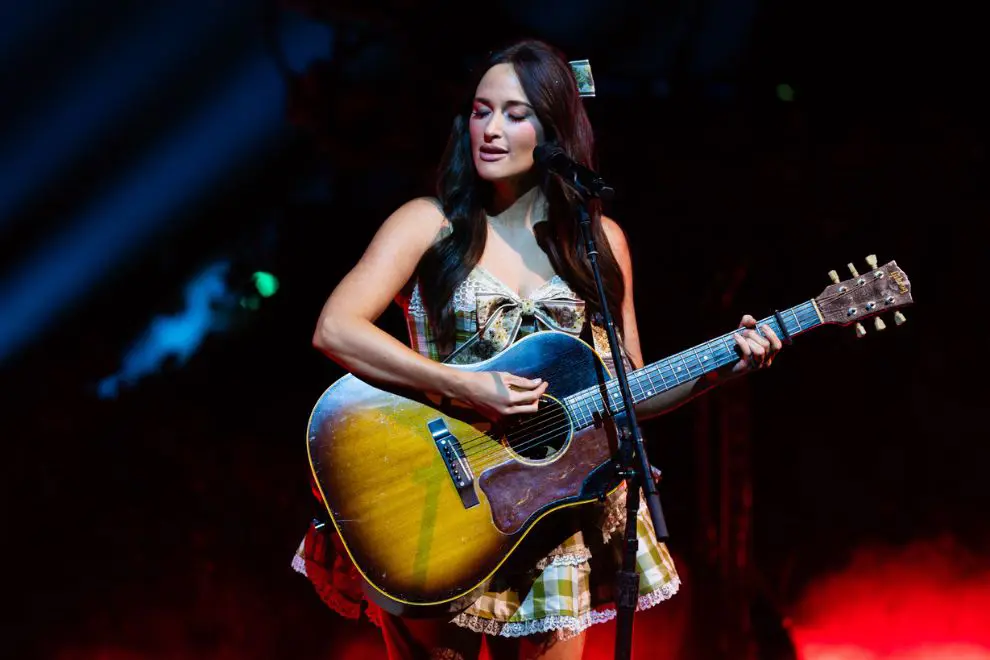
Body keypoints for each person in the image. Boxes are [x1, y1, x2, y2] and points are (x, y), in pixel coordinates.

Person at [292, 37, 782, 660]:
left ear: (554, 131)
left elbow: (627, 392)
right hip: (439, 501)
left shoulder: (598, 241)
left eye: (515, 114)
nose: (490, 129)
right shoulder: (428, 222)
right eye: (480, 110)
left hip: (551, 517)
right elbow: (335, 328)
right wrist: (466, 385)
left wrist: (721, 370)